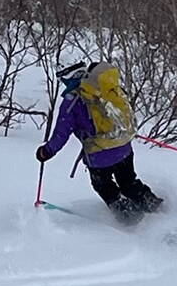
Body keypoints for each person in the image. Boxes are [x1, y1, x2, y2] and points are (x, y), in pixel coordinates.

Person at [37, 61, 163, 222]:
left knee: (105, 187)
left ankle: (132, 221)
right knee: (129, 182)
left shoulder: (72, 101)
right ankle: (156, 208)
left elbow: (61, 135)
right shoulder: (105, 88)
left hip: (99, 157)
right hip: (124, 147)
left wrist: (45, 152)